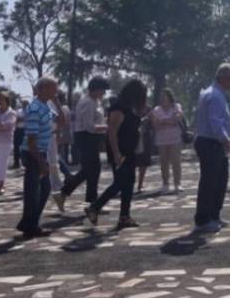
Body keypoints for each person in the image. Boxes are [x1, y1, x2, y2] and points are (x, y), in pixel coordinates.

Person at [87, 79, 148, 231]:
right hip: (120, 150)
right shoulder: (119, 108)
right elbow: (112, 132)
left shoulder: (130, 108)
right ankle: (95, 207)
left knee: (129, 183)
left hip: (129, 150)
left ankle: (124, 216)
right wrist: (116, 153)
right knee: (121, 182)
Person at [193, 65, 230, 231]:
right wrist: (225, 140)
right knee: (210, 182)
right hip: (210, 142)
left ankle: (213, 215)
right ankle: (203, 219)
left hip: (212, 142)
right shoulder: (215, 95)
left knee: (220, 180)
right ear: (224, 78)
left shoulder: (214, 93)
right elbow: (215, 122)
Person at [19, 77, 59, 239]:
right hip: (33, 153)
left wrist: (56, 101)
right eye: (52, 88)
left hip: (40, 151)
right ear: (42, 89)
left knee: (43, 189)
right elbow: (31, 140)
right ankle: (30, 225)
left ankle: (29, 222)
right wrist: (42, 163)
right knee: (33, 190)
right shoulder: (35, 108)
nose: (55, 91)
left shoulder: (46, 106)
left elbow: (62, 121)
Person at [61, 77, 108, 206]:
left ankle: (90, 200)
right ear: (95, 89)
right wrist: (107, 127)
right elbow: (89, 126)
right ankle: (89, 201)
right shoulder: (87, 102)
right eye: (102, 91)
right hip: (86, 137)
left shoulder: (96, 102)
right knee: (90, 170)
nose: (103, 94)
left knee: (90, 170)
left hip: (92, 138)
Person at [149, 88, 186, 194]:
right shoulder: (156, 109)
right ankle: (165, 184)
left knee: (176, 161)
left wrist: (163, 121)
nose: (162, 98)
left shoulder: (177, 106)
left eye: (164, 96)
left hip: (175, 138)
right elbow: (155, 124)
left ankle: (177, 184)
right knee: (164, 162)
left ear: (170, 97)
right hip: (161, 139)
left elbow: (177, 119)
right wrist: (169, 121)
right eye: (161, 96)